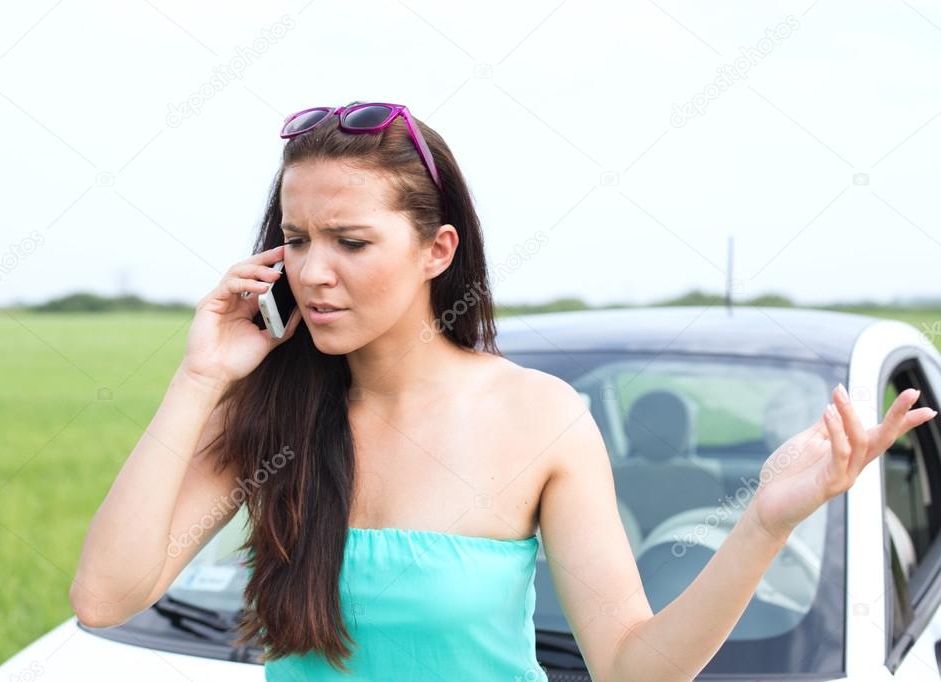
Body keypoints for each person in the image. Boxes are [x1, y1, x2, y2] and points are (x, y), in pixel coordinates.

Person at [69, 100, 939, 681]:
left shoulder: (540, 419)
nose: (313, 272)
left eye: (351, 242)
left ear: (435, 251)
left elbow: (632, 666)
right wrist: (200, 378)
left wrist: (764, 523)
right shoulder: (271, 414)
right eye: (295, 239)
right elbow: (105, 597)